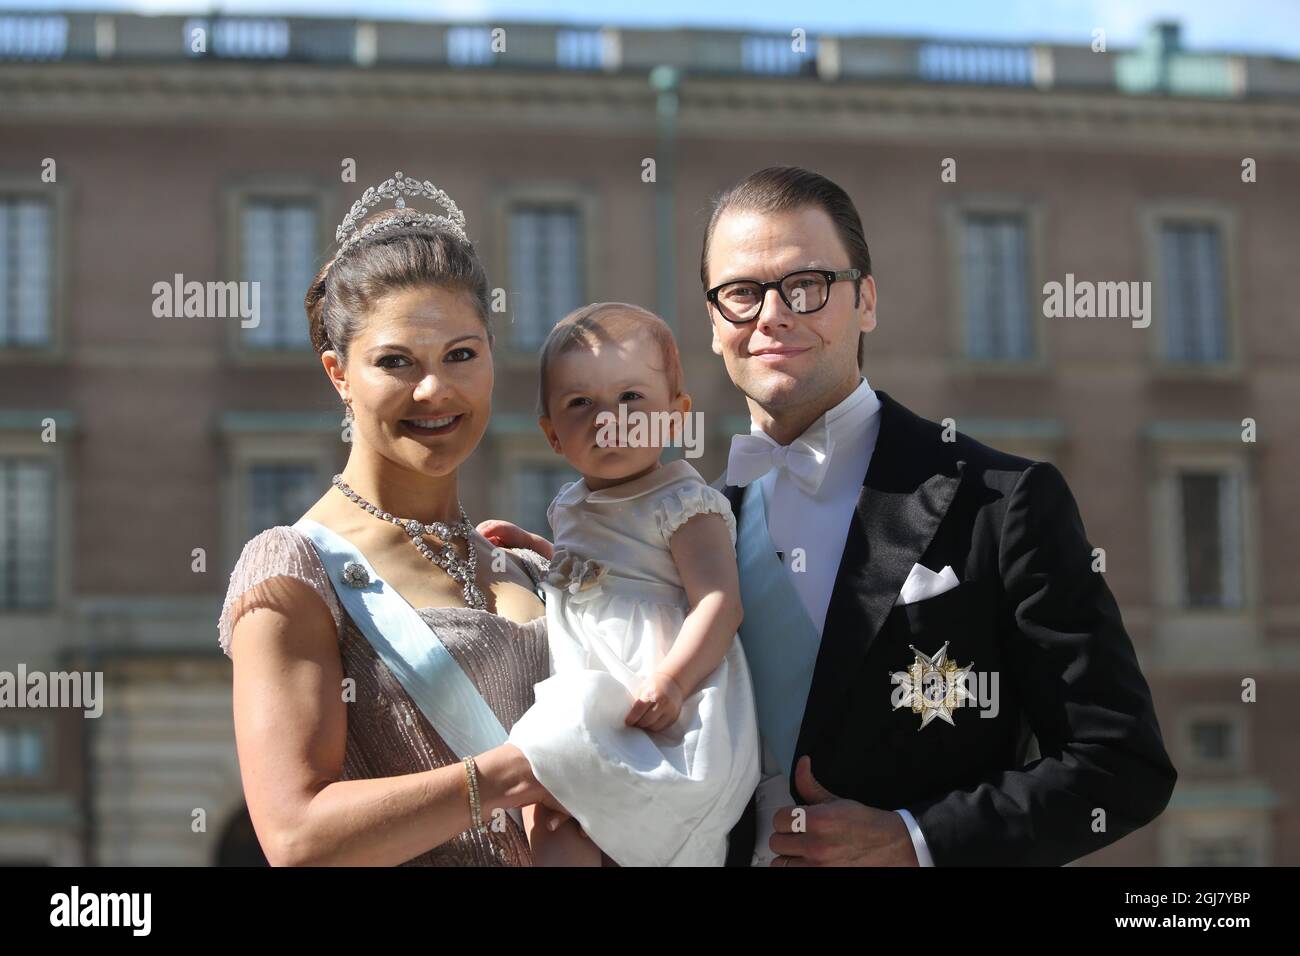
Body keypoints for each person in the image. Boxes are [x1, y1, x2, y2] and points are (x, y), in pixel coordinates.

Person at [218, 172, 572, 866]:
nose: (435, 388)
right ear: (338, 374)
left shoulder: (526, 561)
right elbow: (297, 836)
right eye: (395, 362)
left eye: (461, 355)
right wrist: (510, 774)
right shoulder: (295, 568)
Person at [502, 302, 761, 866]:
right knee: (551, 822)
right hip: (598, 683)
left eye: (631, 398)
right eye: (579, 404)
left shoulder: (684, 504)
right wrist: (537, 552)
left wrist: (671, 680)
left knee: (549, 766)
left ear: (675, 414)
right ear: (551, 434)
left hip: (667, 700)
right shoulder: (569, 506)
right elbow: (594, 581)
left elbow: (720, 603)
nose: (607, 418)